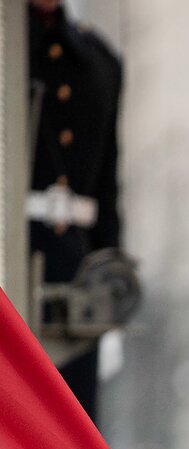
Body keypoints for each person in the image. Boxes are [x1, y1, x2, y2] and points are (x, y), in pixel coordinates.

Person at [27, 0, 124, 421]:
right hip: (12, 257)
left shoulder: (99, 60)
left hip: (74, 277)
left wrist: (111, 284)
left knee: (69, 429)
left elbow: (106, 188)